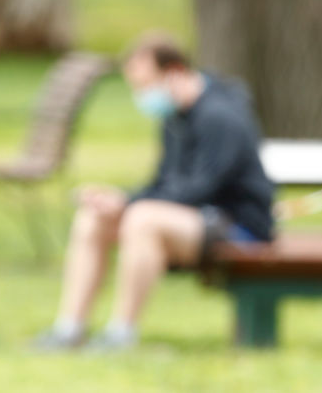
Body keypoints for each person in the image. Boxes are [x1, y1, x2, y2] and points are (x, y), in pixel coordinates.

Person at [35, 33, 275, 351]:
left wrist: (129, 203)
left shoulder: (220, 115)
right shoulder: (174, 116)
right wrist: (115, 198)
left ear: (174, 71)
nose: (142, 95)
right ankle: (69, 329)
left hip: (239, 227)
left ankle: (121, 334)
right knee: (94, 217)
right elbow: (163, 183)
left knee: (142, 218)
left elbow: (200, 189)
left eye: (145, 85)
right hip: (191, 220)